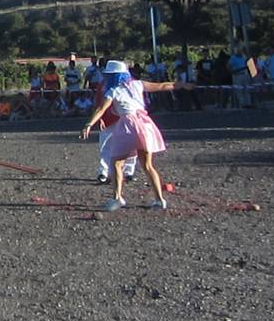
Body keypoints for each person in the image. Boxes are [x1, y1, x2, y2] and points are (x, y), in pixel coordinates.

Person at [81, 60, 191, 211]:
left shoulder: (113, 91)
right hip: (145, 124)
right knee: (147, 165)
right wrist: (181, 84)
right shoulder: (138, 84)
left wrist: (89, 124)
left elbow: (100, 109)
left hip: (128, 125)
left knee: (116, 163)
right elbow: (162, 86)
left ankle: (117, 198)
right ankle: (160, 200)